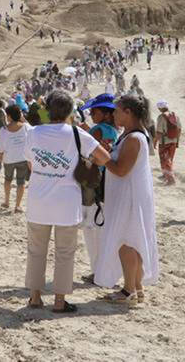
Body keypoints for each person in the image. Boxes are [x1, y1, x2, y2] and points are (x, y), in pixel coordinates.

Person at [24, 90, 108, 313]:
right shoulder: (78, 134)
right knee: (64, 252)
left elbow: (31, 164)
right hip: (67, 202)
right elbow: (104, 158)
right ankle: (59, 301)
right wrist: (83, 159)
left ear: (48, 110)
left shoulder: (33, 133)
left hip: (39, 200)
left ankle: (35, 297)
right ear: (70, 111)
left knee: (36, 250)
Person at [96, 95, 160, 304]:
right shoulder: (130, 135)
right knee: (133, 240)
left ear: (128, 112)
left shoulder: (133, 138)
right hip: (128, 195)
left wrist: (102, 157)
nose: (113, 114)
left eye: (117, 110)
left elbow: (122, 170)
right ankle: (137, 287)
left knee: (127, 242)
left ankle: (128, 290)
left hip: (129, 198)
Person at [78, 93, 118, 284]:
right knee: (101, 225)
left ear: (105, 113)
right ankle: (102, 269)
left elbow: (88, 156)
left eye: (94, 111)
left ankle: (97, 270)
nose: (92, 114)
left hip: (92, 182)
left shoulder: (98, 130)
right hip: (106, 182)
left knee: (91, 228)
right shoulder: (113, 130)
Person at [0, 104, 31, 213]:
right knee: (21, 182)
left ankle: (7, 201)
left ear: (10, 116)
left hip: (9, 158)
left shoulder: (4, 129)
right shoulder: (26, 127)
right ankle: (18, 205)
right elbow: (32, 137)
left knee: (7, 179)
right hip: (23, 158)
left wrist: (0, 156)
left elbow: (0, 146)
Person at [154, 100, 179, 185]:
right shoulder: (175, 115)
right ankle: (165, 175)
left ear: (160, 108)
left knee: (164, 160)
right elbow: (179, 129)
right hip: (174, 141)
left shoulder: (161, 117)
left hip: (164, 142)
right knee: (169, 159)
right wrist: (177, 141)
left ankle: (171, 180)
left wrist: (154, 141)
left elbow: (159, 132)